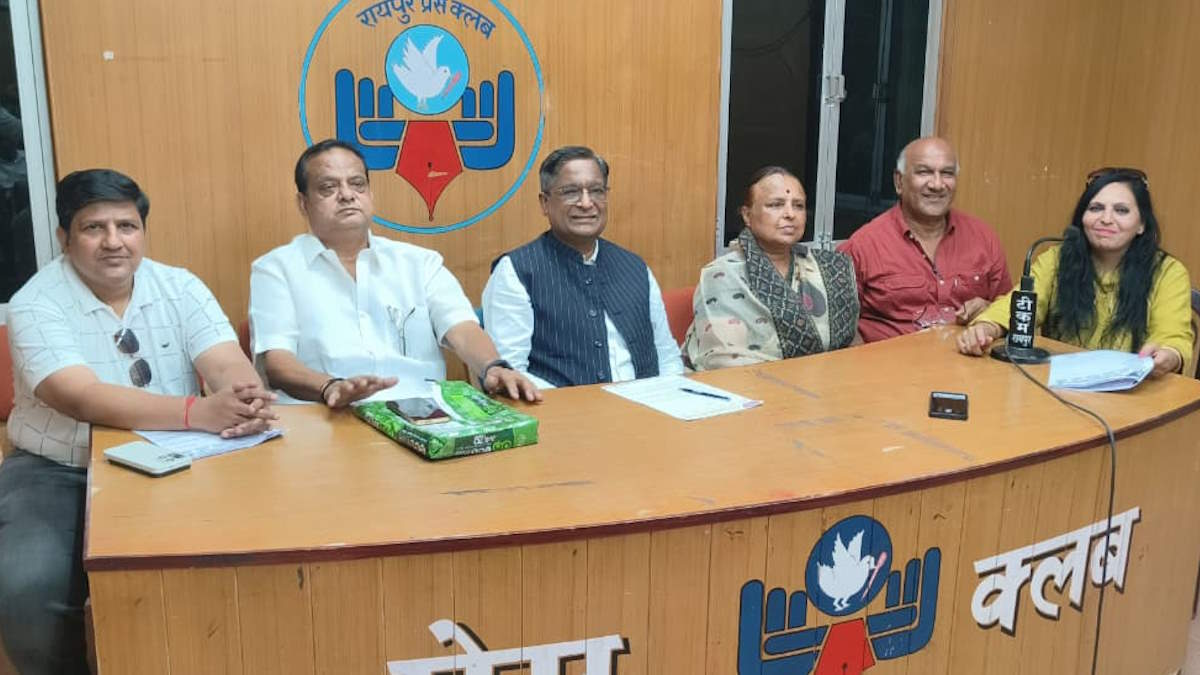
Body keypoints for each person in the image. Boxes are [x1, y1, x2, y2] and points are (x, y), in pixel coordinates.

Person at [0, 169, 275, 674]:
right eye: (94, 228)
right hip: (60, 468)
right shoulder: (33, 304)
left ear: (143, 231)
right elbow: (80, 397)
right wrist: (196, 412)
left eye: (126, 226)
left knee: (257, 547)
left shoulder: (179, 285)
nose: (114, 242)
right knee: (27, 589)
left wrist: (243, 394)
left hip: (181, 456)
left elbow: (223, 360)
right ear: (64, 237)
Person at [250, 139, 540, 405]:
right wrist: (330, 387)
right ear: (303, 204)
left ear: (370, 194)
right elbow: (278, 364)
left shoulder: (419, 263)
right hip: (325, 417)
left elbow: (462, 329)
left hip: (422, 414)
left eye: (357, 184)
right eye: (328, 187)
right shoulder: (275, 270)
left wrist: (493, 366)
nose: (347, 195)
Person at [958, 167, 1194, 377]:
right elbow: (1020, 305)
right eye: (1096, 208)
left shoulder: (1168, 272)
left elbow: (1173, 337)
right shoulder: (1056, 259)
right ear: (1082, 218)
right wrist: (986, 328)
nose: (1106, 219)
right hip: (1061, 387)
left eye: (1121, 210)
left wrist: (1168, 355)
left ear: (1141, 224)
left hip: (1133, 392)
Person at [481, 145, 683, 387]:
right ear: (545, 203)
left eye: (596, 191)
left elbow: (666, 354)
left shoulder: (635, 267)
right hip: (558, 408)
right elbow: (511, 373)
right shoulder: (516, 271)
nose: (586, 203)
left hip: (648, 403)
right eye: (571, 192)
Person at [838, 137, 1012, 342]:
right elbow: (839, 332)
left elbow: (1008, 309)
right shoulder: (862, 247)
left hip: (967, 359)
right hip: (892, 361)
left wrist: (989, 311)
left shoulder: (983, 238)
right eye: (924, 172)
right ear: (899, 182)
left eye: (947, 173)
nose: (937, 184)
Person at [684, 166, 859, 370]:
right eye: (776, 205)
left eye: (799, 206)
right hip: (745, 383)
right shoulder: (722, 275)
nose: (790, 214)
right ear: (747, 215)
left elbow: (851, 344)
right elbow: (723, 359)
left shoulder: (829, 266)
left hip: (827, 380)